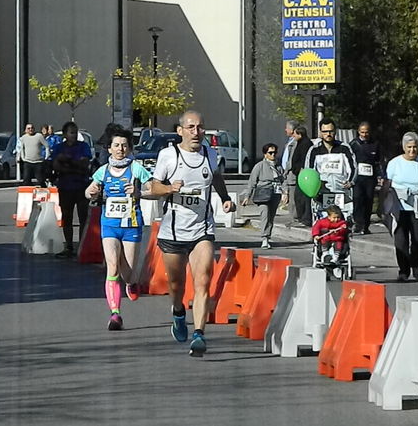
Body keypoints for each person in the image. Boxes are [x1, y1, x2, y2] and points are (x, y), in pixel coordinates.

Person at [149, 110, 236, 357]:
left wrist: (226, 198)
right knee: (176, 285)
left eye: (200, 127)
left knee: (203, 280)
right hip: (173, 231)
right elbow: (154, 187)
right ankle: (178, 312)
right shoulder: (168, 155)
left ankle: (199, 334)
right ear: (180, 131)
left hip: (202, 229)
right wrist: (169, 188)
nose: (196, 132)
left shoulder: (210, 153)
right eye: (190, 127)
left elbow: (216, 177)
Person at [85, 126, 153, 330]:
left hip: (131, 224)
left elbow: (153, 189)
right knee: (112, 267)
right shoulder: (103, 170)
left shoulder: (136, 168)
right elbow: (89, 192)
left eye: (124, 145)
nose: (120, 149)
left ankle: (132, 284)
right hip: (110, 225)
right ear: (109, 148)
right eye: (116, 145)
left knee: (128, 273)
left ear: (130, 148)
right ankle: (115, 314)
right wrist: (93, 192)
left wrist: (139, 192)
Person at [384, 132, 418, 281]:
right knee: (401, 241)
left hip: (416, 207)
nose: (412, 150)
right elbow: (387, 186)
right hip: (398, 206)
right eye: (409, 147)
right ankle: (403, 271)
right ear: (403, 147)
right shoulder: (394, 163)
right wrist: (383, 206)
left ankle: (416, 265)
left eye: (414, 147)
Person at [52, 121, 92, 258]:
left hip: (81, 186)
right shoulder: (58, 148)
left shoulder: (83, 146)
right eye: (71, 132)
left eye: (75, 132)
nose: (74, 135)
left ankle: (82, 245)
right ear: (64, 134)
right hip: (65, 186)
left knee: (83, 217)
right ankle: (68, 246)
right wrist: (72, 165)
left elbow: (85, 164)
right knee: (66, 217)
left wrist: (67, 162)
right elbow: (56, 166)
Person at [240, 143, 285, 249]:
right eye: (270, 153)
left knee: (271, 216)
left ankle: (268, 236)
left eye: (275, 153)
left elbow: (283, 180)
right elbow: (252, 182)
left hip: (275, 193)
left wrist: (285, 192)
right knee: (264, 214)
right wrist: (247, 196)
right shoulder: (259, 166)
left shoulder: (278, 166)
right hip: (263, 193)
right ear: (265, 154)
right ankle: (264, 238)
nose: (273, 155)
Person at [305, 118, 357, 194]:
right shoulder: (314, 150)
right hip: (321, 192)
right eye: (325, 132)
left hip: (342, 192)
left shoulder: (345, 148)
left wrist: (351, 182)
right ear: (320, 133)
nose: (328, 134)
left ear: (335, 131)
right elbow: (309, 171)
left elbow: (353, 167)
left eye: (331, 131)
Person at [349, 121, 383, 234]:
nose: (364, 135)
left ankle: (366, 225)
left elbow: (378, 161)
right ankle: (358, 223)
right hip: (357, 178)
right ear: (358, 132)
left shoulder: (375, 144)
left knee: (369, 201)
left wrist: (380, 175)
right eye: (362, 132)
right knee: (358, 199)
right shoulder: (353, 144)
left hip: (370, 177)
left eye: (366, 132)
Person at [289, 126, 313, 226]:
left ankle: (305, 218)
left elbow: (304, 158)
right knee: (298, 197)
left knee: (302, 197)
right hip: (299, 173)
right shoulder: (299, 143)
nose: (293, 136)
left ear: (300, 134)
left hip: (304, 175)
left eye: (295, 134)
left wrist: (302, 170)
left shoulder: (306, 144)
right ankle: (301, 217)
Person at [281, 120, 299, 223]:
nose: (285, 130)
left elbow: (291, 160)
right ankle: (292, 218)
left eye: (287, 128)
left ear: (292, 130)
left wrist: (286, 170)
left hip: (291, 174)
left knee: (293, 200)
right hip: (287, 174)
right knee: (288, 198)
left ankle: (294, 219)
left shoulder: (295, 143)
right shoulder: (290, 142)